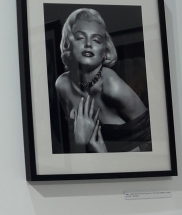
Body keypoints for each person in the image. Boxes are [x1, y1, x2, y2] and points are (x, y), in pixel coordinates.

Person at [55, 8, 151, 153]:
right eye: (80, 37)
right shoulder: (63, 85)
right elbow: (75, 147)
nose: (88, 44)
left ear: (105, 51)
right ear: (68, 44)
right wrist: (81, 141)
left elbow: (157, 141)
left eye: (96, 40)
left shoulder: (112, 86)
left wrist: (103, 156)